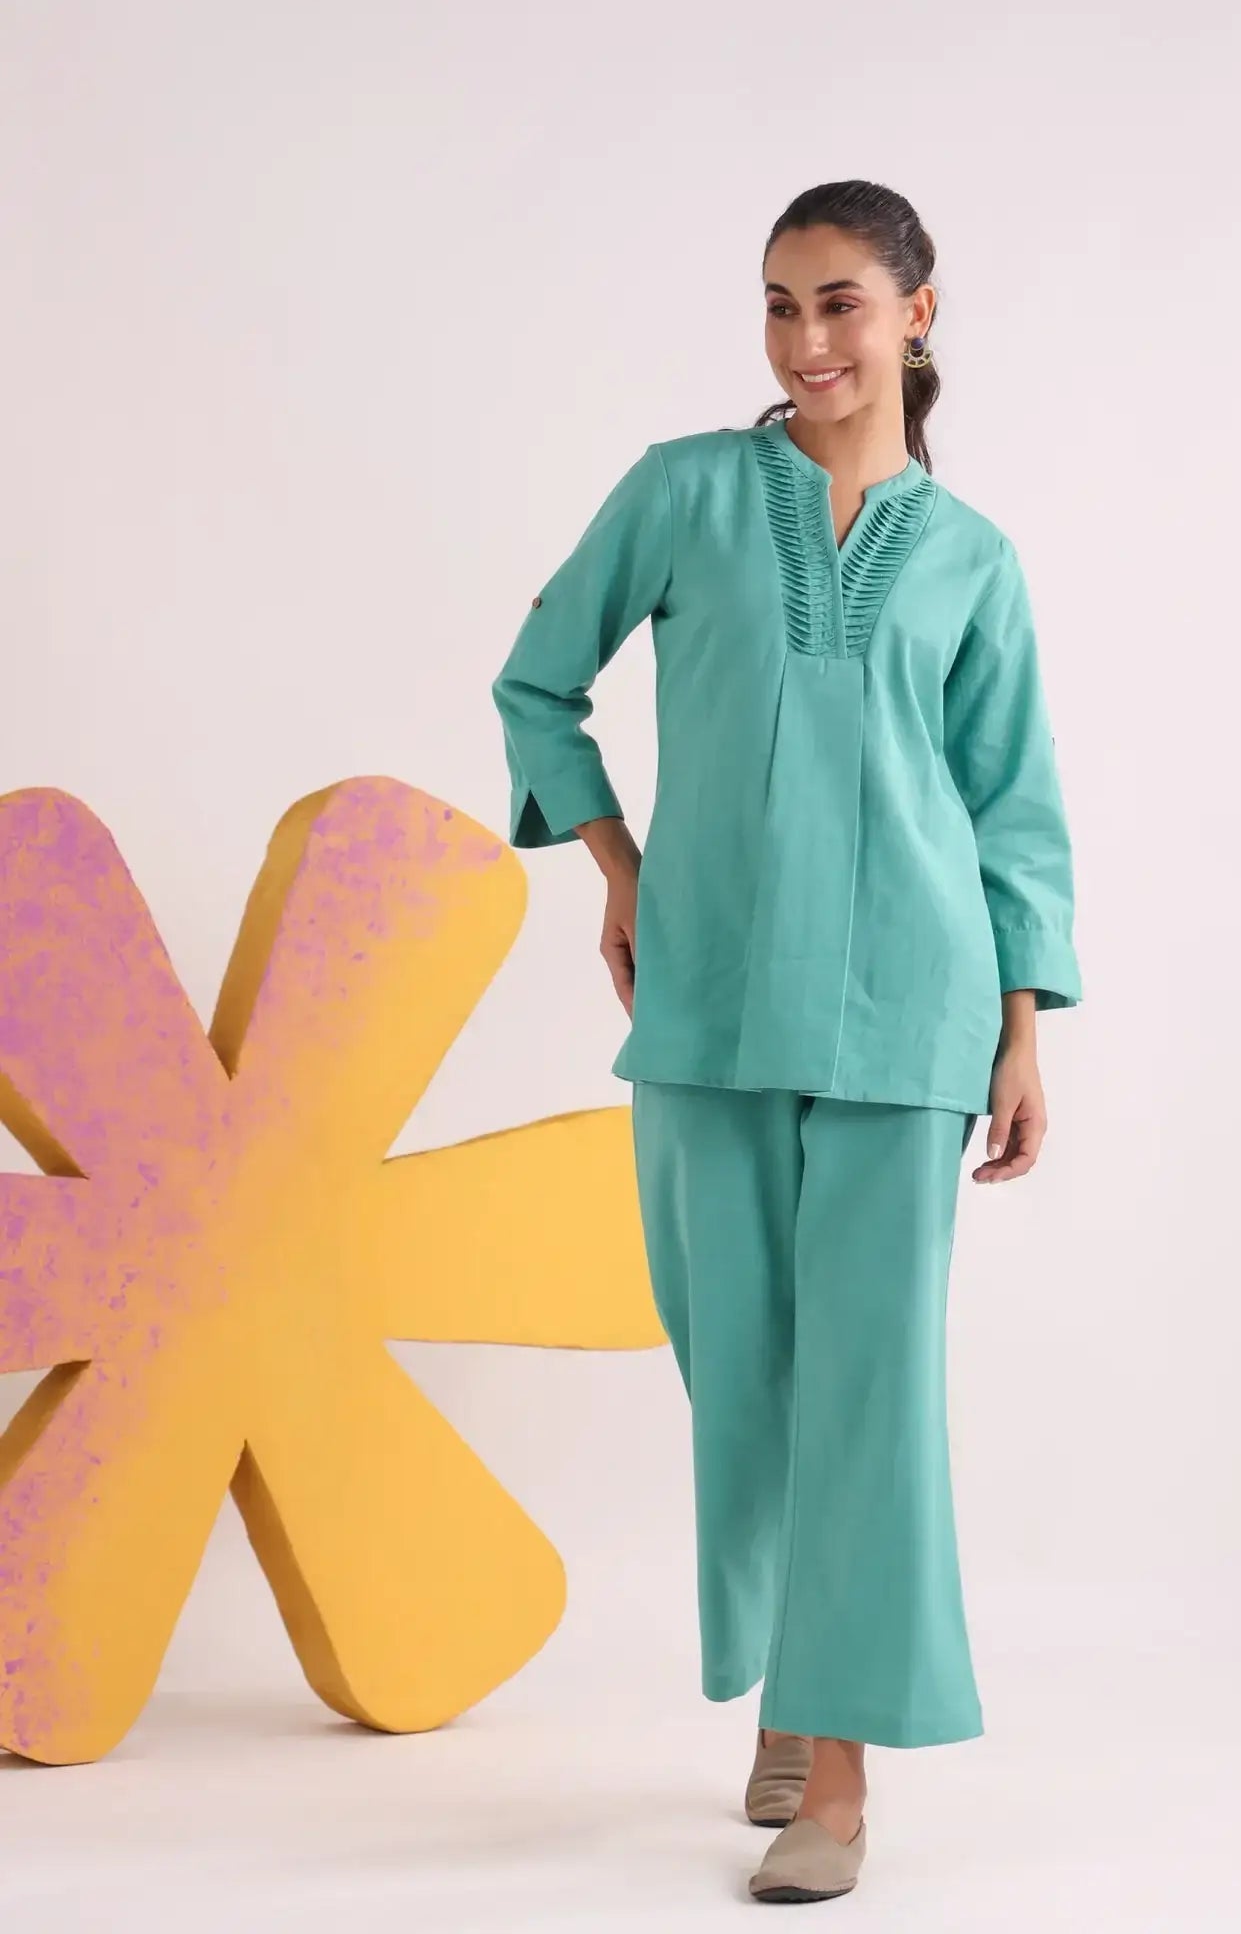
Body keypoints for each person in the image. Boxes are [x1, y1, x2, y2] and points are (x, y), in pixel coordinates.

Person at [490, 178, 1082, 1908]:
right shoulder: (682, 492)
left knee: (868, 1398)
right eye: (777, 304)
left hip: (913, 1012)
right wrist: (621, 870)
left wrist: (1021, 1027)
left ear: (915, 313)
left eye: (838, 303)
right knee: (739, 1385)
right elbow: (537, 682)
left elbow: (1009, 809)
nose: (804, 341)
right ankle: (789, 1683)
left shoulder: (971, 561)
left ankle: (836, 1778)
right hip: (708, 1004)